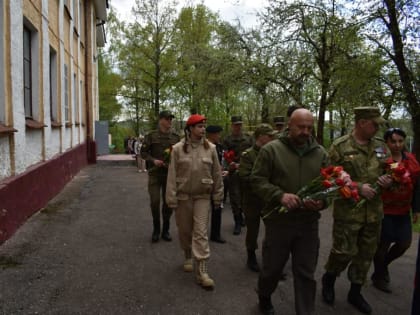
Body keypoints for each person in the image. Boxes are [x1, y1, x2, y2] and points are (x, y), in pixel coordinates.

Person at [252, 108, 329, 315]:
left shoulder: (320, 153)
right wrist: (280, 196)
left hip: (308, 223)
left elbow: (329, 187)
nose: (305, 131)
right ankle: (264, 295)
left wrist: (321, 202)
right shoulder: (271, 150)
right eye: (300, 127)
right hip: (279, 221)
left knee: (306, 272)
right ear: (289, 125)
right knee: (273, 268)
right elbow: (257, 181)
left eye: (309, 127)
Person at [321, 107, 393, 314]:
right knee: (343, 252)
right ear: (362, 122)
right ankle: (329, 279)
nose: (377, 127)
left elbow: (392, 170)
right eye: (374, 123)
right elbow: (329, 179)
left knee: (365, 254)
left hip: (374, 214)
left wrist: (389, 180)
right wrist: (358, 187)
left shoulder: (381, 146)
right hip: (349, 213)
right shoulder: (340, 147)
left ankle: (355, 292)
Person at [166, 114, 224, 290]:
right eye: (199, 126)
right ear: (190, 129)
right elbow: (172, 175)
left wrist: (218, 196)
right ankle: (187, 255)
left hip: (202, 196)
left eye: (204, 126)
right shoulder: (177, 149)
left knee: (200, 232)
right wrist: (171, 198)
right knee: (185, 231)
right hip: (183, 196)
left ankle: (202, 271)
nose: (203, 129)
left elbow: (216, 173)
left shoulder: (211, 148)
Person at [371, 128, 420, 293]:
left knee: (404, 243)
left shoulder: (411, 160)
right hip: (384, 210)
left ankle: (383, 267)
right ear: (387, 142)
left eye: (400, 141)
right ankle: (379, 277)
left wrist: (416, 209)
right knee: (382, 246)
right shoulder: (381, 160)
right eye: (393, 141)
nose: (397, 145)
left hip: (404, 211)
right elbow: (371, 179)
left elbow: (417, 186)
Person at [238, 123, 277, 272]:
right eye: (270, 136)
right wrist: (263, 182)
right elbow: (244, 176)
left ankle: (271, 260)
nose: (273, 138)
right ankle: (251, 256)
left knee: (273, 231)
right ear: (261, 137)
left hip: (269, 200)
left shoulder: (274, 153)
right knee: (252, 230)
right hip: (253, 199)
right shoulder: (248, 155)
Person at [141, 111, 180, 243]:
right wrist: (153, 160)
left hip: (169, 175)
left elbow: (180, 155)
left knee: (168, 203)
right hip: (155, 174)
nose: (170, 121)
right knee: (155, 202)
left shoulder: (176, 137)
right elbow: (143, 153)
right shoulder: (151, 136)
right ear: (161, 120)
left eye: (171, 119)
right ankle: (156, 229)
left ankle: (166, 230)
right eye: (167, 119)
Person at [222, 115, 253, 235]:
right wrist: (229, 165)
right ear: (232, 126)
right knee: (235, 197)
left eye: (240, 124)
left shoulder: (248, 138)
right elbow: (224, 156)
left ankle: (243, 216)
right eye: (236, 125)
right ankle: (237, 222)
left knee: (246, 197)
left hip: (246, 172)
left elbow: (254, 153)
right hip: (233, 172)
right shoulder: (227, 139)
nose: (238, 127)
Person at [206, 125, 228, 244]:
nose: (219, 136)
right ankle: (200, 233)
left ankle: (216, 233)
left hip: (218, 181)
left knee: (217, 206)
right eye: (217, 133)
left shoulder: (219, 147)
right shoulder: (204, 147)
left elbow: (222, 161)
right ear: (211, 134)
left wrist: (224, 170)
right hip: (206, 181)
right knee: (203, 209)